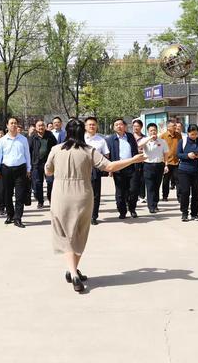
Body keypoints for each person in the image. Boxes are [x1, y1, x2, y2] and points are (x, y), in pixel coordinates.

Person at [45, 119, 145, 292]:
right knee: (79, 233)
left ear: (67, 132)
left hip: (60, 195)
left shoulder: (56, 149)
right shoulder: (88, 150)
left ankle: (72, 272)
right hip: (82, 194)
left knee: (65, 235)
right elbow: (109, 166)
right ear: (82, 132)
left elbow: (48, 170)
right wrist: (133, 160)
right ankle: (73, 271)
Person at [0, 117, 32, 228]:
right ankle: (10, 215)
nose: (13, 125)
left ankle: (18, 218)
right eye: (11, 123)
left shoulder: (23, 139)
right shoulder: (2, 140)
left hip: (21, 169)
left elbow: (27, 155)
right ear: (7, 125)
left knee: (20, 195)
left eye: (15, 123)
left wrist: (28, 169)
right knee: (7, 194)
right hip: (6, 169)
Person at [106, 118, 140, 219]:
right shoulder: (110, 139)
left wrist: (137, 165)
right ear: (113, 127)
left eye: (121, 124)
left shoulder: (130, 137)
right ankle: (122, 211)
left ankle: (132, 209)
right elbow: (110, 155)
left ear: (125, 126)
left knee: (133, 190)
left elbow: (135, 151)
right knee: (120, 192)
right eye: (116, 125)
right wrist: (110, 169)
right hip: (118, 168)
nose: (119, 126)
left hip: (132, 167)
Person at [138, 123, 169, 214]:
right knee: (150, 186)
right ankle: (151, 206)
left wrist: (166, 165)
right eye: (151, 130)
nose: (153, 132)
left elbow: (166, 154)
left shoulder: (162, 141)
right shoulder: (145, 140)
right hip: (148, 165)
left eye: (154, 130)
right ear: (148, 131)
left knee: (157, 186)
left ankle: (155, 204)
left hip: (159, 165)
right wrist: (149, 138)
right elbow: (140, 145)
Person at [84, 117, 110, 225]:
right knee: (83, 194)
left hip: (95, 169)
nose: (91, 126)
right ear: (85, 126)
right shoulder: (81, 139)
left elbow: (106, 155)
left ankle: (93, 216)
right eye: (89, 124)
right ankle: (83, 216)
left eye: (93, 124)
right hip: (82, 169)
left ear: (97, 126)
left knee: (95, 194)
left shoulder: (101, 140)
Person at [28, 120, 58, 209]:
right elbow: (29, 151)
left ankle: (50, 198)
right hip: (36, 164)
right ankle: (40, 201)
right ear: (36, 127)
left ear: (45, 126)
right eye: (39, 126)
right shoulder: (32, 137)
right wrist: (29, 166)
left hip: (49, 163)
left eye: (42, 125)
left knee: (50, 181)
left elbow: (55, 149)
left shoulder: (50, 136)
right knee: (37, 184)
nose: (41, 127)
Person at [177, 124, 198, 222]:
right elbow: (178, 154)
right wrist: (187, 155)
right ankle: (184, 213)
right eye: (192, 134)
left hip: (197, 171)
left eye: (196, 134)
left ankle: (194, 213)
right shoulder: (182, 141)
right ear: (188, 133)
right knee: (185, 192)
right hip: (184, 171)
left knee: (196, 193)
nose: (194, 136)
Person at [160, 119, 181, 202]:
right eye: (173, 125)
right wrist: (164, 162)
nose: (175, 127)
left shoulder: (179, 135)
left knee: (178, 180)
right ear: (168, 127)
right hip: (167, 162)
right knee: (166, 180)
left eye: (175, 125)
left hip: (177, 162)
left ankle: (180, 197)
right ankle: (165, 196)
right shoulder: (163, 136)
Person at [132, 119, 146, 204]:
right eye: (134, 126)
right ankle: (134, 195)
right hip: (132, 160)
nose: (135, 128)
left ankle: (142, 196)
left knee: (142, 179)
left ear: (141, 127)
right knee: (134, 179)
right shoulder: (130, 137)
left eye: (137, 126)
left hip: (142, 160)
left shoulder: (145, 138)